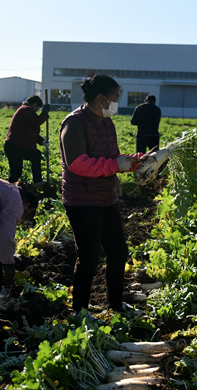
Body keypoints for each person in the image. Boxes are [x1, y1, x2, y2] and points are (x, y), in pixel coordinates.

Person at [59, 74, 143, 316]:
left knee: (118, 252)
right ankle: (80, 312)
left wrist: (135, 161)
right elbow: (78, 164)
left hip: (106, 197)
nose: (117, 102)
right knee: (89, 258)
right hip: (82, 201)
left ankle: (116, 305)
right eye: (115, 97)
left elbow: (112, 158)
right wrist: (117, 165)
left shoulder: (106, 122)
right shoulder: (74, 124)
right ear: (101, 98)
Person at [4, 95, 51, 188]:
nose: (37, 111)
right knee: (16, 172)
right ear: (35, 104)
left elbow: (30, 132)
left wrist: (43, 142)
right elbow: (37, 121)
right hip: (15, 146)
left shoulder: (26, 111)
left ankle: (37, 181)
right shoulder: (26, 109)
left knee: (36, 155)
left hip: (19, 146)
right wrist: (45, 112)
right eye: (38, 109)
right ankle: (10, 190)